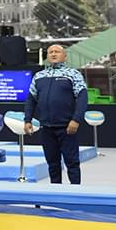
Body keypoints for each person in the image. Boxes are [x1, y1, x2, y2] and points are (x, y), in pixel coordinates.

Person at [24, 45, 87, 185]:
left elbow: (82, 98)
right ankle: (55, 191)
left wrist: (76, 119)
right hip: (46, 128)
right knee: (52, 164)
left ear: (65, 56)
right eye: (50, 52)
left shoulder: (73, 74)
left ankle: (76, 192)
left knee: (72, 163)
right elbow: (31, 99)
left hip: (67, 127)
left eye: (57, 52)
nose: (53, 54)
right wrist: (27, 119)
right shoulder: (39, 76)